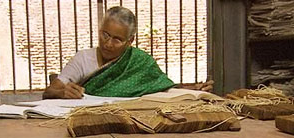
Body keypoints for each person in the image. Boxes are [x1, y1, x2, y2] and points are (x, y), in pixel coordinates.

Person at [43, 6, 213, 99]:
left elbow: (160, 86)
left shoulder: (139, 62)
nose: (108, 44)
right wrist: (62, 93)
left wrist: (193, 90)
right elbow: (49, 92)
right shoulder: (83, 59)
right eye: (105, 35)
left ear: (130, 41)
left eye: (117, 39)